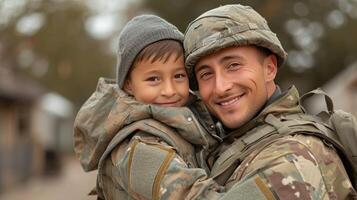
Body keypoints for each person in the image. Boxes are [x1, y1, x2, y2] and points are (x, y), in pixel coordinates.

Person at [183, 4, 357, 199]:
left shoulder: (293, 156)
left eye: (233, 65)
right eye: (206, 74)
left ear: (269, 68)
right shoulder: (233, 143)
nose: (221, 87)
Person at [73, 15, 220, 199]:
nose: (169, 90)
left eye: (178, 76)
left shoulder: (188, 121)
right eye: (153, 79)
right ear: (128, 85)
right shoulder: (140, 145)